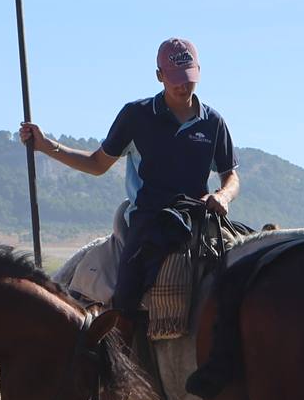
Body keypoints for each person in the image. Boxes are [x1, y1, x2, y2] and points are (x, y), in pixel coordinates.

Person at [20, 38, 238, 346]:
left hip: (200, 216)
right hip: (150, 219)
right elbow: (97, 163)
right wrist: (47, 146)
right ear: (159, 76)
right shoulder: (136, 116)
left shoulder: (213, 122)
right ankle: (121, 359)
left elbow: (231, 175)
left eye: (188, 79)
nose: (182, 87)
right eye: (175, 80)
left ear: (199, 72)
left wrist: (224, 196)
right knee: (127, 292)